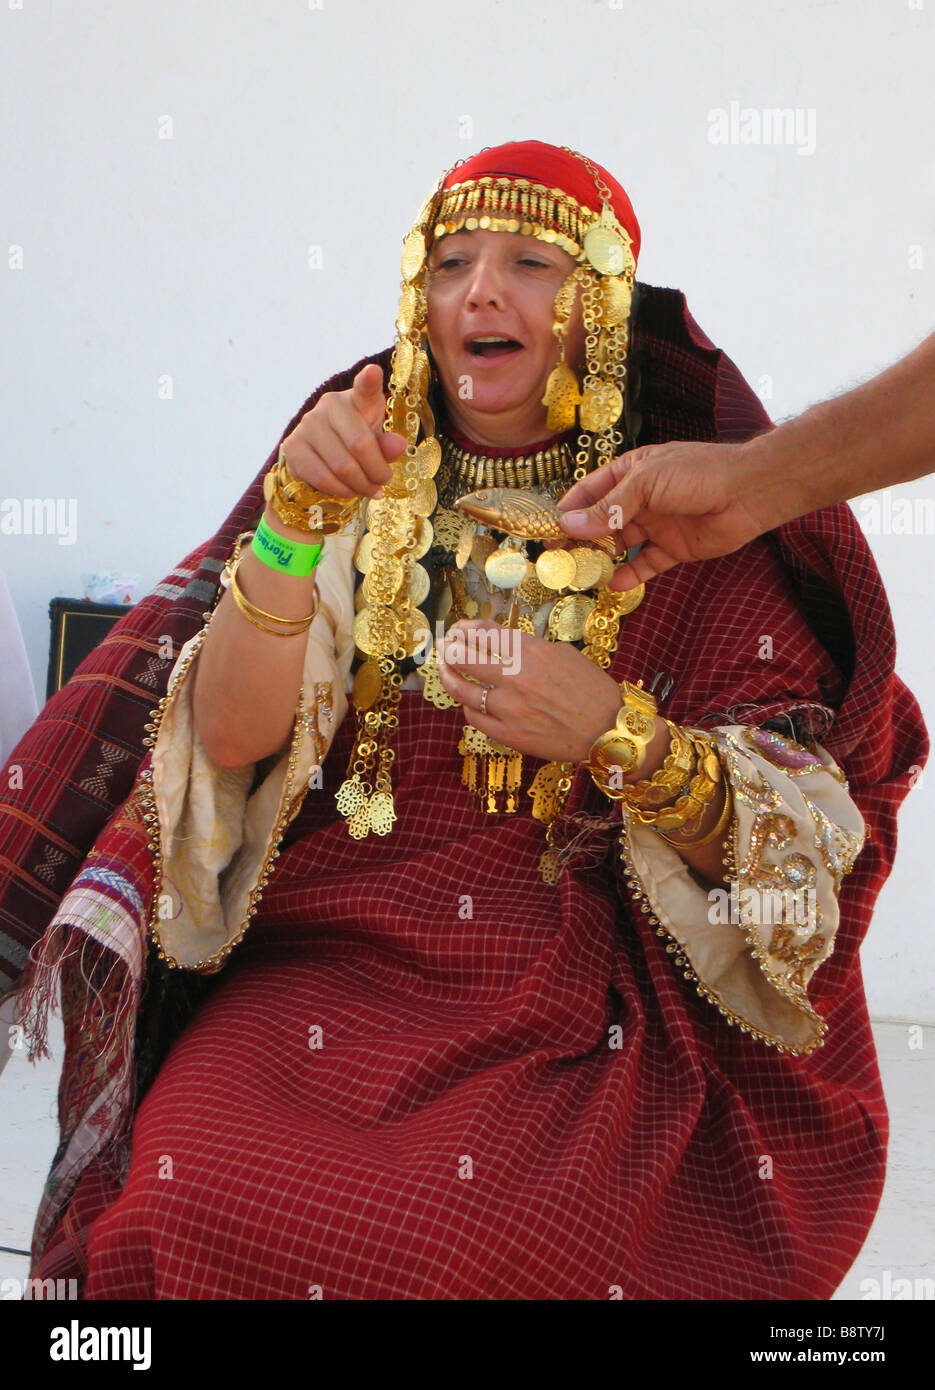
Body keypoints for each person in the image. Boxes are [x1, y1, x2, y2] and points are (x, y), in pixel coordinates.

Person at [1, 141, 926, 1301]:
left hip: (577, 998)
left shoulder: (699, 521)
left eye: (530, 261)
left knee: (458, 1249)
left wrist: (613, 734)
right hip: (323, 963)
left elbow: (798, 870)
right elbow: (229, 746)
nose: (479, 290)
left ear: (602, 304)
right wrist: (291, 522)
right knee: (185, 1205)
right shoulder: (357, 479)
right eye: (449, 262)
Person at [557, 330, 935, 588]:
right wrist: (746, 483)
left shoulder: (761, 578)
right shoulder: (680, 520)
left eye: (531, 264)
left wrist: (615, 711)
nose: (494, 291)